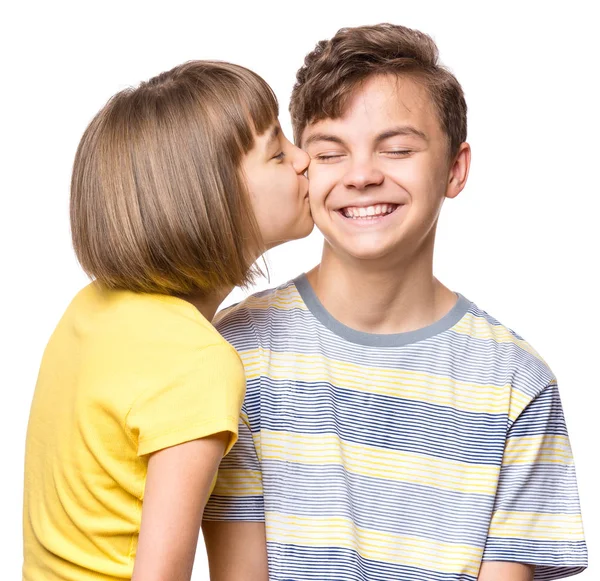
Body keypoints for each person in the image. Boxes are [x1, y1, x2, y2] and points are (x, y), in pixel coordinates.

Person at [202, 24, 588, 581]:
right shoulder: (234, 354)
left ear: (455, 169)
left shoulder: (517, 385)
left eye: (399, 148)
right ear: (301, 169)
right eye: (330, 153)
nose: (362, 175)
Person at [22, 60, 312, 581]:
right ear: (212, 201)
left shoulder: (88, 308)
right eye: (277, 152)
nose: (303, 159)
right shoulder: (197, 364)